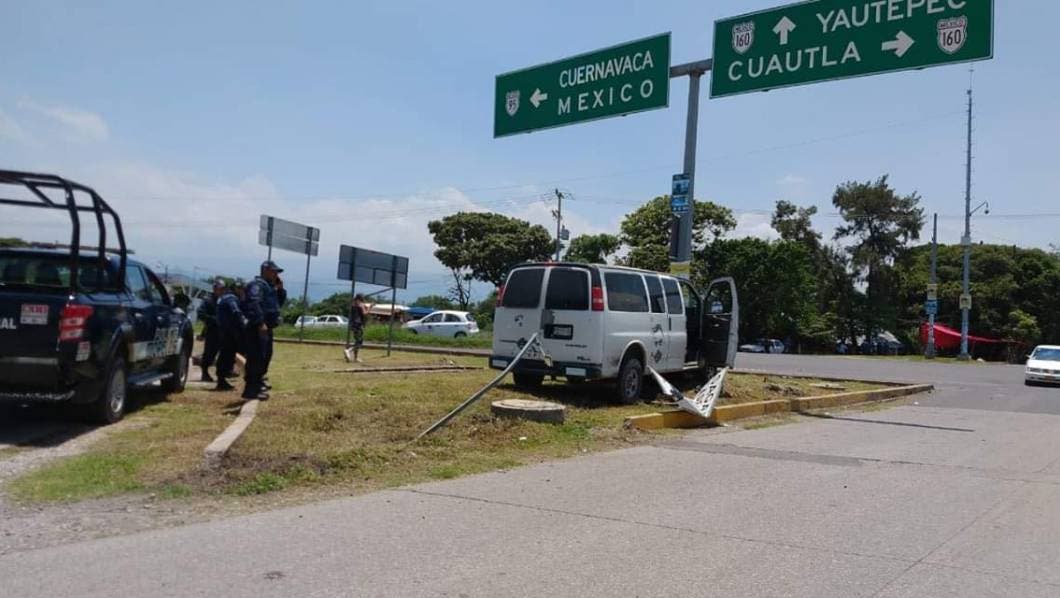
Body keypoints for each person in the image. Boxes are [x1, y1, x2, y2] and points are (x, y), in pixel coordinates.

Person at [242, 261, 286, 400]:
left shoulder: (269, 287)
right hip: (258, 327)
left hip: (267, 328)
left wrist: (281, 289)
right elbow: (254, 303)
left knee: (265, 357)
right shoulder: (257, 285)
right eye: (274, 272)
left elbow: (278, 304)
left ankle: (258, 384)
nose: (276, 275)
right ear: (265, 271)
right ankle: (251, 390)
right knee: (256, 359)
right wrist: (260, 322)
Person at [215, 281, 248, 391]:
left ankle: (223, 378)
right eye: (242, 290)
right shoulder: (231, 299)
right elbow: (236, 312)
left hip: (225, 331)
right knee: (226, 355)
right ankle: (221, 380)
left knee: (227, 354)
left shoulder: (226, 298)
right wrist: (244, 324)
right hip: (229, 332)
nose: (244, 292)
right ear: (237, 290)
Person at [196, 279, 225, 382]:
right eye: (220, 289)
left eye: (223, 289)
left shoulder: (224, 300)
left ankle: (223, 374)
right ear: (214, 289)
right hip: (212, 331)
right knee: (209, 353)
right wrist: (213, 320)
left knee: (223, 353)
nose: (222, 291)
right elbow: (200, 313)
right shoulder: (208, 300)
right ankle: (205, 372)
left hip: (223, 331)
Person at [344, 294, 370, 363]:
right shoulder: (360, 305)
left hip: (353, 324)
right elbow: (365, 313)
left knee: (357, 341)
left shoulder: (353, 305)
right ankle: (348, 350)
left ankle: (355, 358)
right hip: (358, 324)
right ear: (360, 299)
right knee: (359, 342)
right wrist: (370, 308)